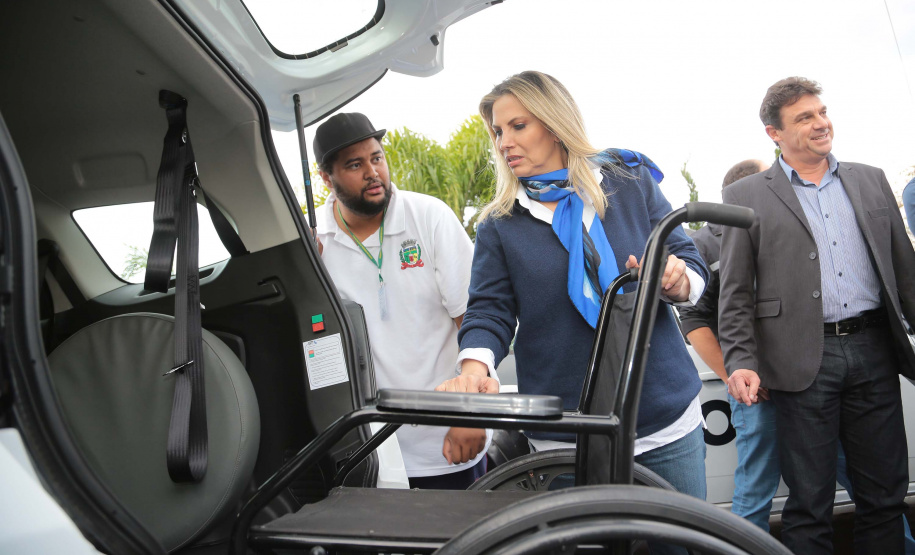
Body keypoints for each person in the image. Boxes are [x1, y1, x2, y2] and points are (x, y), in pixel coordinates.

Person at [436, 71, 710, 533]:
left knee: (687, 547)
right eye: (498, 132)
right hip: (565, 433)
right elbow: (489, 311)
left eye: (517, 126)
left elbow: (687, 261)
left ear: (554, 121)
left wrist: (677, 283)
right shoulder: (499, 226)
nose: (504, 142)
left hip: (663, 418)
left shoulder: (631, 179)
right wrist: (473, 370)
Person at [719, 77, 915, 554]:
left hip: (874, 352)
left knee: (885, 495)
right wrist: (741, 359)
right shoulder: (745, 195)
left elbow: (906, 275)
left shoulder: (870, 178)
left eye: (821, 111)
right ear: (775, 134)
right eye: (804, 117)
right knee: (809, 503)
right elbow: (735, 292)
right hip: (801, 363)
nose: (821, 123)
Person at [313, 112, 489, 489]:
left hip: (449, 444)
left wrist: (470, 414)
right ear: (326, 178)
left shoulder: (429, 216)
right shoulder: (315, 243)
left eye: (376, 158)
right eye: (355, 165)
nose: (372, 172)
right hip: (368, 454)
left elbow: (477, 321)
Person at [678, 159, 779, 531]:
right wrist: (737, 375)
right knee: (754, 495)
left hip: (803, 380)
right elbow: (694, 322)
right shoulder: (703, 244)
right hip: (755, 391)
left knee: (848, 478)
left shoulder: (776, 231)